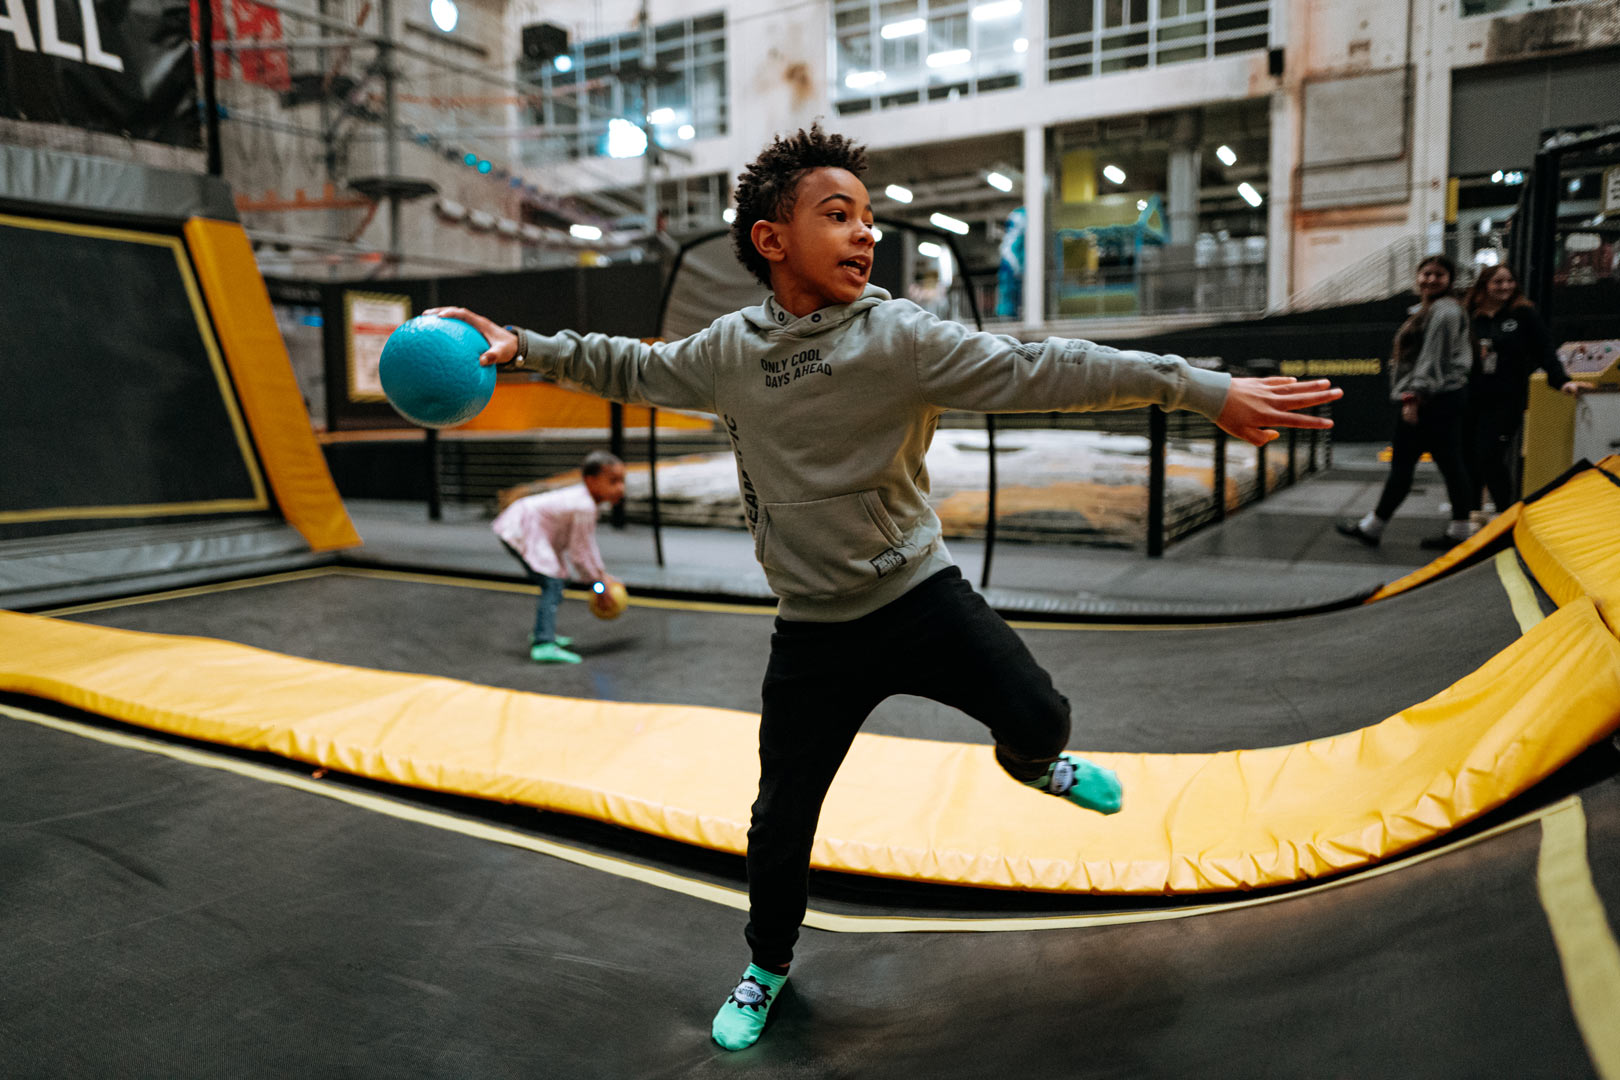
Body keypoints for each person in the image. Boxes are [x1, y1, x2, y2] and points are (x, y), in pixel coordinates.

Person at [424, 123, 1339, 1052]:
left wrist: (1195, 387)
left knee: (1043, 717)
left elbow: (1043, 366)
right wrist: (527, 346)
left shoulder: (900, 337)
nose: (866, 235)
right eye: (838, 216)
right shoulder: (729, 353)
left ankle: (1031, 766)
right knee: (779, 823)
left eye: (869, 218)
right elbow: (629, 366)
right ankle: (766, 968)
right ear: (771, 240)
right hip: (813, 633)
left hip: (921, 598)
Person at [1336, 254, 1477, 551]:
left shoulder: (1445, 311)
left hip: (1432, 400)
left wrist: (1414, 397)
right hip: (1440, 398)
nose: (1431, 279)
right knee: (1444, 463)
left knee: (1423, 464)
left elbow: (1432, 360)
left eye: (1439, 274)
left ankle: (1376, 527)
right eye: (1426, 273)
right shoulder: (1429, 310)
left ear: (1450, 280)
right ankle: (1378, 526)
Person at [1462, 263, 1587, 516]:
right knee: (1469, 455)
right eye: (1498, 282)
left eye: (1509, 281)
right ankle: (1470, 515)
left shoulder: (1523, 314)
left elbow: (1544, 350)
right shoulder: (1470, 316)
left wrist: (1562, 380)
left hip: (1506, 399)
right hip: (1470, 396)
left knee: (1490, 454)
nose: (1505, 286)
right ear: (1485, 285)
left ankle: (1504, 515)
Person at [491, 450, 627, 665]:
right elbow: (579, 554)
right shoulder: (584, 506)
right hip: (520, 529)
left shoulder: (585, 502)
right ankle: (544, 643)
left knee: (557, 581)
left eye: (622, 481)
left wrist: (601, 577)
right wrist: (599, 586)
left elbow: (587, 547)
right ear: (591, 481)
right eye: (613, 481)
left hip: (525, 529)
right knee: (552, 583)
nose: (621, 487)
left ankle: (544, 632)